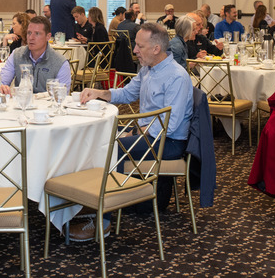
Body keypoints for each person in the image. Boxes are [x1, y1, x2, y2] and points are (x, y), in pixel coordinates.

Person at [73, 23, 193, 241]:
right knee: (97, 137)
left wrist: (138, 132)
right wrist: (98, 92)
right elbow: (127, 94)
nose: (134, 50)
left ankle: (103, 221)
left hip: (169, 142)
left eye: (139, 46)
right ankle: (89, 201)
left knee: (111, 148)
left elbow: (170, 125)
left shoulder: (176, 76)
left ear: (156, 49)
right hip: (149, 133)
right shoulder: (148, 69)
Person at [0, 16, 70, 94]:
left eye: (37, 33)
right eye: (29, 33)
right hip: (22, 104)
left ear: (48, 37)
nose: (31, 37)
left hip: (47, 105)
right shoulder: (17, 55)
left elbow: (62, 95)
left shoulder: (60, 63)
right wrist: (2, 87)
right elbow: (2, 82)